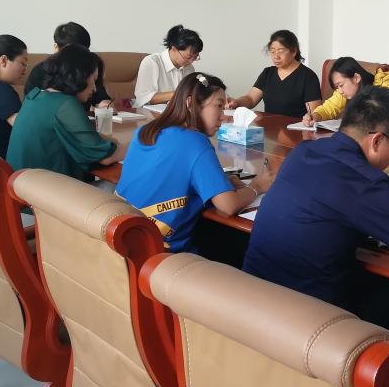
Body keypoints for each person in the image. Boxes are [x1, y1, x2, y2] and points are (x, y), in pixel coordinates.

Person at [243, 87, 389, 311]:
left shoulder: (303, 151)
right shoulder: (365, 181)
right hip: (306, 316)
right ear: (376, 141)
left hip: (250, 297)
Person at [117, 72, 273, 252]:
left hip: (123, 239)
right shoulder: (196, 143)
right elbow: (228, 206)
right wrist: (257, 185)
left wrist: (220, 183)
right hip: (159, 252)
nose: (223, 116)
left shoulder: (146, 131)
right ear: (190, 104)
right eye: (219, 106)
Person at [7, 45, 123, 180]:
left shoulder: (35, 96)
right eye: (93, 79)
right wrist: (139, 144)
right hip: (48, 189)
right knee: (124, 188)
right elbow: (105, 158)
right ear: (80, 76)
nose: (95, 88)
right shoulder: (65, 105)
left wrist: (110, 142)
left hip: (20, 185)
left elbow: (87, 139)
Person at [229, 30, 321, 117]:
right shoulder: (268, 73)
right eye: (272, 51)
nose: (276, 56)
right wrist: (236, 102)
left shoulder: (308, 76)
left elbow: (314, 113)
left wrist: (310, 118)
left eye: (281, 51)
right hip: (269, 126)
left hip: (295, 127)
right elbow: (251, 99)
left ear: (293, 51)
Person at [25, 21, 110, 108]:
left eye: (83, 52)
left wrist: (105, 105)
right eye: (71, 53)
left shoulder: (91, 68)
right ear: (56, 48)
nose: (78, 59)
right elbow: (31, 105)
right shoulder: (40, 71)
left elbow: (101, 99)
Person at [301, 56, 389, 126]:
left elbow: (386, 118)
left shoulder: (383, 86)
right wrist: (315, 116)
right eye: (337, 87)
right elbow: (327, 108)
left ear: (356, 78)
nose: (340, 91)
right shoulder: (343, 93)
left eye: (341, 85)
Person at [132, 24, 203, 108]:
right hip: (148, 112)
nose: (191, 61)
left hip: (175, 112)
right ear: (174, 49)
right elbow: (143, 98)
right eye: (188, 57)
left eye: (195, 57)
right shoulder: (152, 62)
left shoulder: (189, 68)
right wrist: (178, 94)